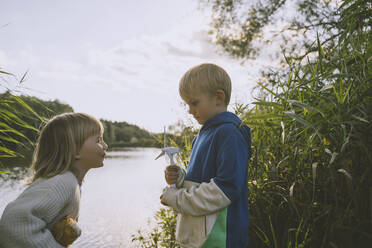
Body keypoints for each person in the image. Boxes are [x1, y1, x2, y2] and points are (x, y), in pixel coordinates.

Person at [161, 63, 252, 248]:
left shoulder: (229, 134)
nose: (189, 110)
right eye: (187, 104)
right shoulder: (202, 136)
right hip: (200, 239)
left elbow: (224, 190)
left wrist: (177, 198)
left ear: (218, 97)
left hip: (220, 239)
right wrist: (180, 178)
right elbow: (202, 179)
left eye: (194, 103)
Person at [0, 112, 108, 248]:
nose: (105, 145)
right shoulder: (63, 181)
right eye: (98, 140)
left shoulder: (71, 182)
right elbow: (14, 221)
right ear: (75, 150)